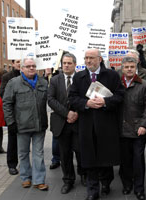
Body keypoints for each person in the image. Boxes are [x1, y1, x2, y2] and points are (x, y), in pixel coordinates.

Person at [68, 48, 124, 200]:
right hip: (87, 125)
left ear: (99, 59)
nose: (88, 61)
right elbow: (72, 98)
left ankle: (106, 183)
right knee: (90, 158)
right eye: (86, 58)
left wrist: (105, 102)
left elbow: (120, 96)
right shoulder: (79, 77)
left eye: (91, 58)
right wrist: (86, 103)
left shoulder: (111, 75)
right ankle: (92, 190)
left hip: (106, 124)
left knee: (106, 156)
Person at [3, 57, 49, 191]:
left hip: (39, 125)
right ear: (22, 68)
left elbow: (50, 99)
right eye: (28, 66)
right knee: (22, 153)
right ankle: (25, 178)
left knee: (38, 153)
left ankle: (39, 180)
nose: (31, 68)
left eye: (33, 66)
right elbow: (7, 103)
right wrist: (11, 122)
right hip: (21, 126)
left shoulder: (43, 82)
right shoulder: (13, 83)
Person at [48, 53, 87, 194]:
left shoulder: (82, 79)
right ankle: (68, 180)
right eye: (64, 63)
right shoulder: (55, 80)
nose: (66, 65)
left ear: (75, 64)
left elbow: (86, 98)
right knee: (64, 154)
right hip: (61, 123)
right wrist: (67, 113)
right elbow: (51, 100)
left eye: (69, 63)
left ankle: (84, 175)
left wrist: (76, 112)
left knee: (80, 151)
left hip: (78, 122)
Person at [119, 56, 146, 200]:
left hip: (138, 129)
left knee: (138, 161)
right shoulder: (117, 85)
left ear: (136, 68)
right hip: (122, 129)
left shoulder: (144, 84)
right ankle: (127, 185)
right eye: (126, 67)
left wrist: (144, 125)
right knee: (125, 160)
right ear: (122, 69)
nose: (129, 69)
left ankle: (139, 188)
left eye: (132, 67)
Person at [0, 59, 21, 175]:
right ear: (12, 64)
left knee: (25, 141)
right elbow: (2, 93)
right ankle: (12, 165)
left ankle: (25, 163)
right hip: (13, 114)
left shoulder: (29, 74)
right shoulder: (7, 77)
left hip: (26, 115)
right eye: (17, 61)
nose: (19, 63)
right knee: (12, 141)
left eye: (21, 61)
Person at [44, 68, 61, 170]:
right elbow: (49, 97)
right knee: (56, 140)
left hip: (71, 115)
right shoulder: (52, 78)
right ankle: (56, 159)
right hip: (57, 114)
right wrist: (46, 76)